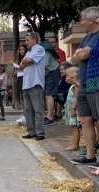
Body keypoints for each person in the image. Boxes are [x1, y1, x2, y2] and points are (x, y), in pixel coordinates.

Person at [71, 6, 99, 165]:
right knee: (85, 120)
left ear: (91, 19)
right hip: (83, 84)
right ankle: (90, 155)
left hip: (95, 83)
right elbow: (76, 57)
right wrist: (81, 53)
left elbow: (83, 54)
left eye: (82, 19)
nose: (81, 22)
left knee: (98, 120)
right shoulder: (87, 38)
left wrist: (82, 53)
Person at [19, 32, 46, 141]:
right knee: (27, 110)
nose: (26, 43)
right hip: (26, 84)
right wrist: (25, 62)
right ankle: (31, 131)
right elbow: (21, 65)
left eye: (27, 40)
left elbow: (28, 61)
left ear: (34, 39)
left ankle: (40, 132)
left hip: (35, 83)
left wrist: (26, 62)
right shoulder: (29, 52)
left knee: (38, 109)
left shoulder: (39, 49)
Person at [41, 40, 60, 126]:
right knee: (47, 95)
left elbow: (44, 66)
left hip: (52, 72)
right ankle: (49, 116)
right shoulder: (46, 50)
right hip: (50, 72)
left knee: (49, 95)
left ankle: (50, 117)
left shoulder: (45, 51)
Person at [64, 67, 81, 151]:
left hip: (74, 110)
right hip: (71, 109)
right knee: (73, 127)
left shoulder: (76, 86)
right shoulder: (73, 86)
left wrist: (73, 109)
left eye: (67, 76)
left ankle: (75, 145)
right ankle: (74, 144)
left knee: (75, 127)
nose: (66, 78)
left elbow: (76, 98)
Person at [13, 44, 27, 124]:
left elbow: (23, 68)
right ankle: (24, 114)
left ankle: (25, 115)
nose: (21, 51)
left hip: (23, 78)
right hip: (19, 77)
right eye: (20, 49)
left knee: (24, 96)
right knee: (22, 96)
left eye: (23, 49)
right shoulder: (20, 58)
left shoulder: (25, 58)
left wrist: (16, 66)